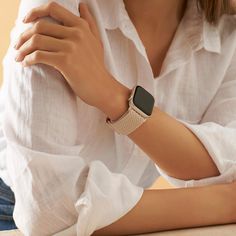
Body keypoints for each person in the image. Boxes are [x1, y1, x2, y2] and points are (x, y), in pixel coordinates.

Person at [0, 0, 236, 235]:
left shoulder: (228, 27)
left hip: (123, 220)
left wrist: (111, 94)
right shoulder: (58, 9)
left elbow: (226, 163)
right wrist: (225, 204)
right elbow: (47, 210)